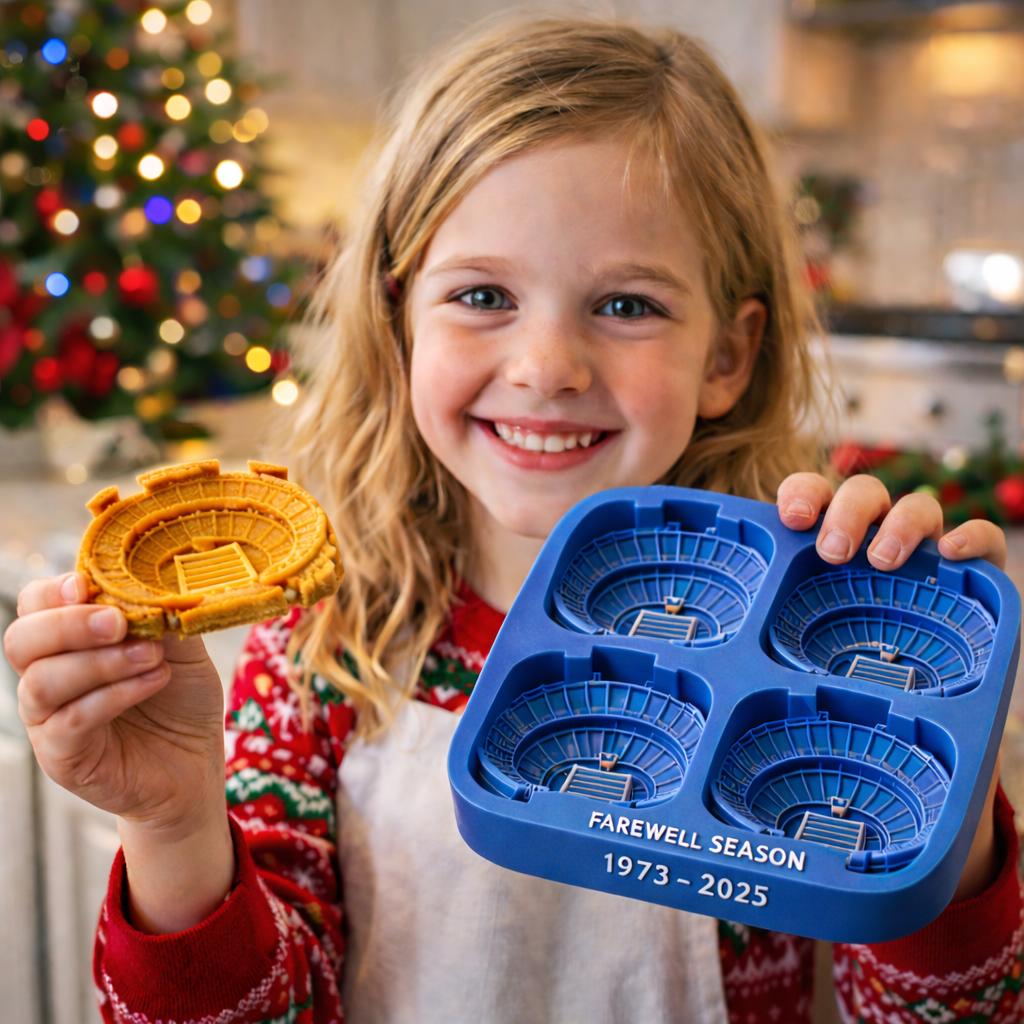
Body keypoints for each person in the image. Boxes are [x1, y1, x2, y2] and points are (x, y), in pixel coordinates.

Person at [5, 15, 1021, 1024]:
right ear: (399, 323)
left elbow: (949, 1015)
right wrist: (173, 824)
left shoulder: (813, 661)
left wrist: (949, 818)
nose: (545, 367)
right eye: (484, 294)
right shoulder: (321, 654)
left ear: (726, 354)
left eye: (626, 306)